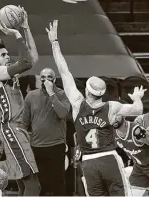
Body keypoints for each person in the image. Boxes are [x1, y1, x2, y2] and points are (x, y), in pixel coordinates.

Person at [45, 20, 147, 196]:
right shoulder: (112, 107)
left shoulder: (77, 103)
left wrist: (54, 42)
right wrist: (137, 98)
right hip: (109, 159)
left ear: (86, 90)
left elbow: (63, 70)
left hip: (89, 162)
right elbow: (138, 110)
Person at [0, 6, 40, 196]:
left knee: (24, 183)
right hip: (8, 129)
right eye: (3, 55)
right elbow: (25, 63)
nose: (8, 57)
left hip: (15, 129)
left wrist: (25, 27)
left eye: (8, 54)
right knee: (32, 183)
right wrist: (16, 34)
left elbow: (32, 60)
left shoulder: (5, 73)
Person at [22, 68, 70, 195]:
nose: (46, 79)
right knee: (40, 184)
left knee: (58, 182)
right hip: (36, 146)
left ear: (54, 80)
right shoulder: (31, 96)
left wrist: (51, 93)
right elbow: (24, 123)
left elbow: (63, 113)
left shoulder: (61, 94)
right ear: (39, 79)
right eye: (43, 77)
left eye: (49, 77)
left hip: (56, 145)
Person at [114, 113, 149, 196]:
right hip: (139, 167)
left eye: (116, 115)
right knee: (132, 193)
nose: (114, 118)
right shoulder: (112, 133)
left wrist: (145, 137)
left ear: (124, 115)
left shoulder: (136, 130)